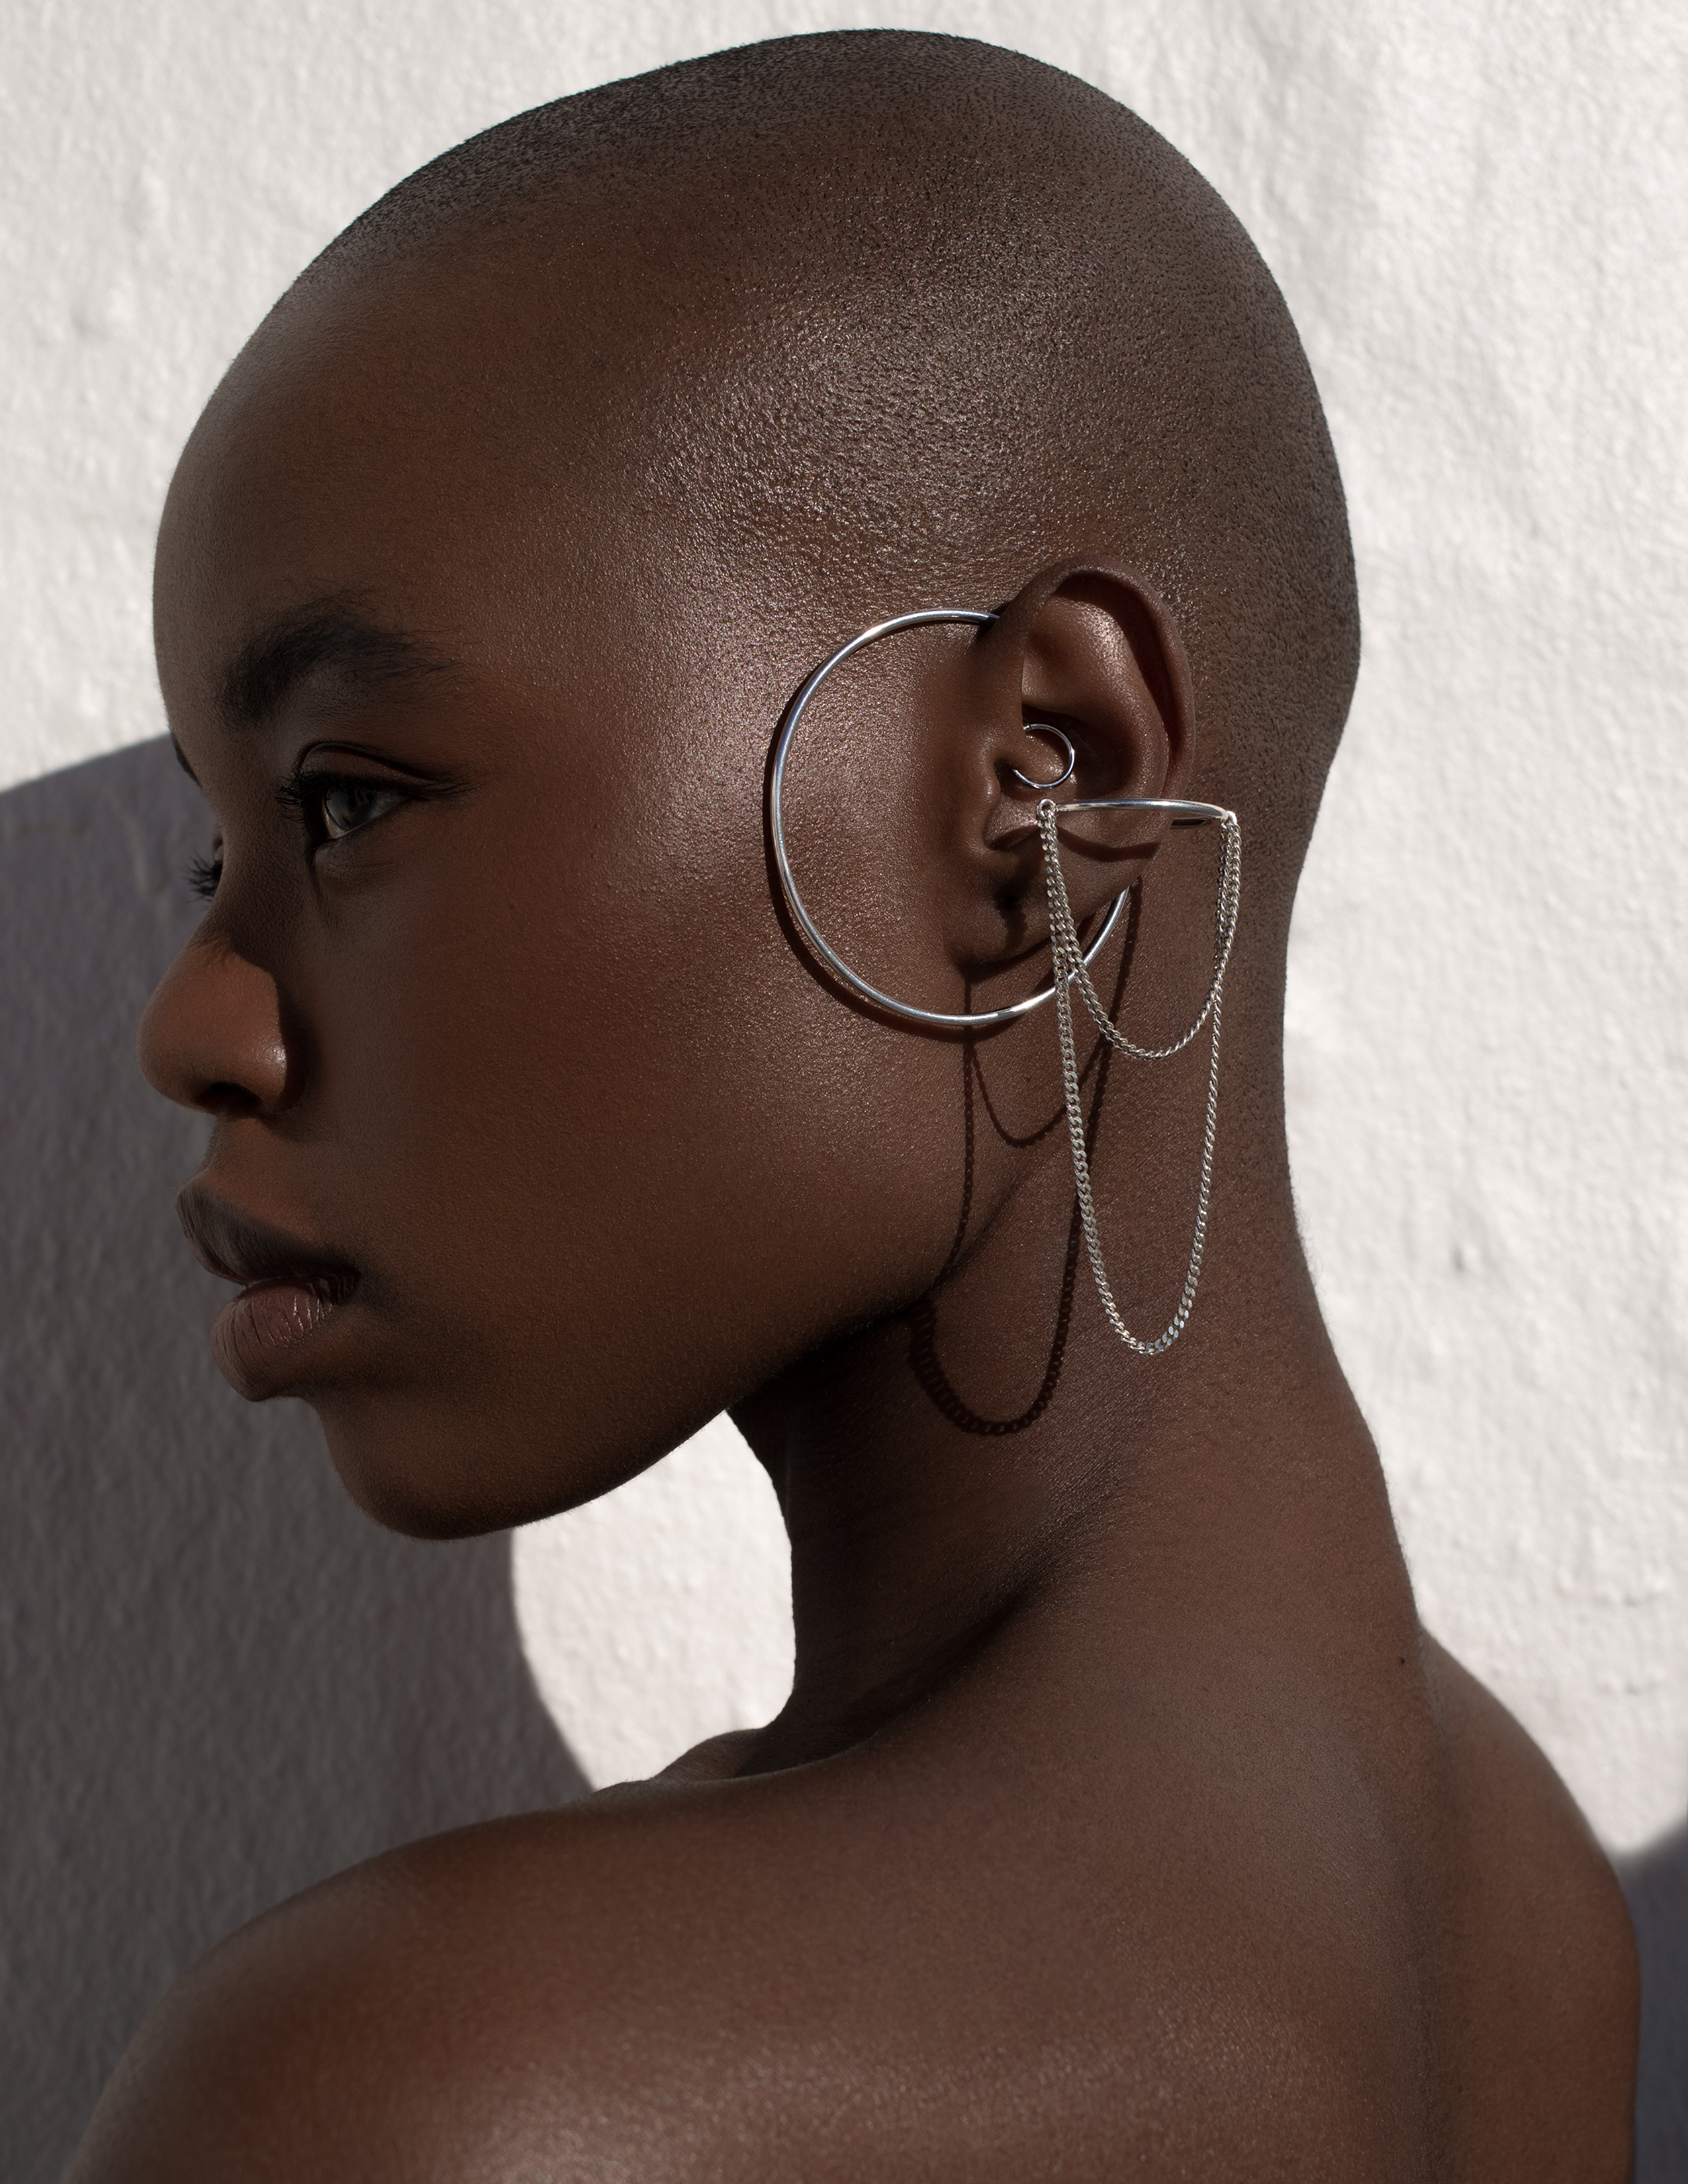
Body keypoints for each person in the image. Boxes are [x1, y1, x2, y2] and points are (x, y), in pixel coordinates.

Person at [69, 29, 1637, 2180]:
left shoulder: (457, 2102)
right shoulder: (1531, 1899)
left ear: (1041, 779)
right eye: (211, 850)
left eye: (348, 800)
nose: (194, 1024)